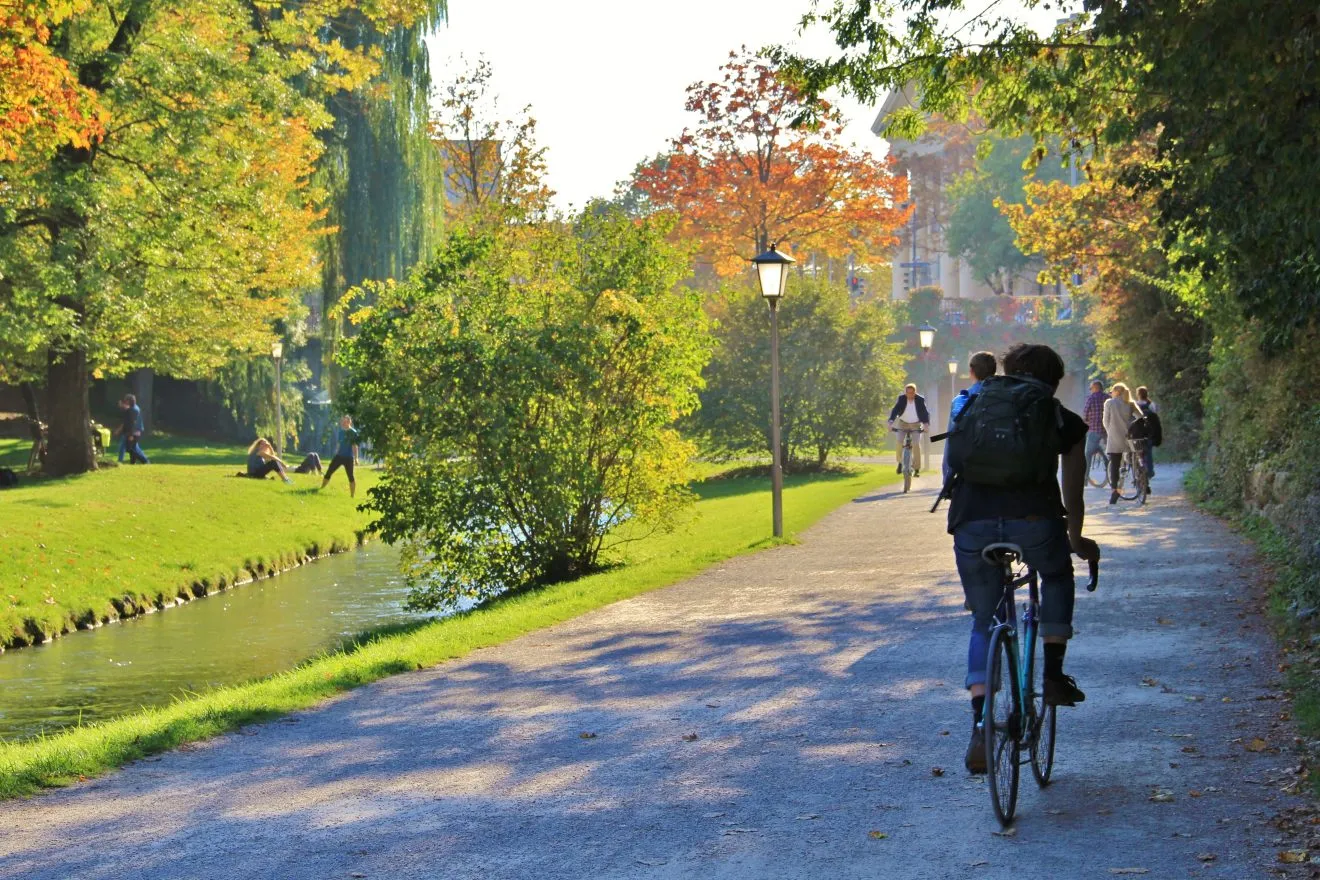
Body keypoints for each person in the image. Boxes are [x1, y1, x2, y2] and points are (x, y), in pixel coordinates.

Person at [944, 343, 1099, 774]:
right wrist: (1077, 538)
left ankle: (979, 726)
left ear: (1008, 372)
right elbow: (1073, 495)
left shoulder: (974, 403)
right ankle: (1052, 675)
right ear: (1053, 382)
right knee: (1056, 574)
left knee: (983, 619)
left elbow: (951, 465)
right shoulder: (1061, 420)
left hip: (971, 523)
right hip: (1035, 521)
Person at [944, 352, 997, 483]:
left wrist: (948, 479)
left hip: (970, 474)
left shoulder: (962, 399)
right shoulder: (1008, 398)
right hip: (1004, 476)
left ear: (971, 370)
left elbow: (952, 442)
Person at [1102, 383, 1139, 504]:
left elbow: (1105, 421)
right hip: (1129, 438)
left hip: (1115, 438)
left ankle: (1114, 491)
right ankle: (1141, 481)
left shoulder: (1109, 403)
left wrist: (1110, 432)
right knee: (1133, 460)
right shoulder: (1130, 403)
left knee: (1114, 465)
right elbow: (1140, 417)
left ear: (1115, 392)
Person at [888, 384, 930, 477]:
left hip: (916, 424)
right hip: (903, 423)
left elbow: (924, 413)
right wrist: (890, 422)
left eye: (912, 393)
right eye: (908, 393)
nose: (910, 395)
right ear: (905, 392)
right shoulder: (901, 398)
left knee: (916, 445)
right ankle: (900, 462)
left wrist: (926, 425)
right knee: (899, 442)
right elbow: (895, 410)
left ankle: (916, 468)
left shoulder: (920, 400)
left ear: (915, 392)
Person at [320, 415, 359, 497]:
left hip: (348, 457)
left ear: (349, 422)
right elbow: (339, 443)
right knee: (329, 471)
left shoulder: (353, 432)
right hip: (339, 456)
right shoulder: (341, 432)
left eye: (344, 422)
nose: (343, 423)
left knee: (350, 476)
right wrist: (336, 452)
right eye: (342, 421)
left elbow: (354, 446)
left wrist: (356, 458)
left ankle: (352, 495)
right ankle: (321, 488)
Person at [1134, 386, 1161, 488]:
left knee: (1137, 453)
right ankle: (1149, 472)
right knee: (1148, 453)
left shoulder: (1135, 405)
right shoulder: (1151, 405)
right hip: (1149, 434)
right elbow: (1155, 420)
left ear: (1138, 394)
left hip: (1137, 434)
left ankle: (1138, 473)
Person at [114, 394, 149, 465]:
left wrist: (131, 434)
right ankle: (134, 462)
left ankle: (144, 461)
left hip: (132, 432)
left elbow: (132, 423)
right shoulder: (134, 408)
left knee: (127, 448)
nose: (125, 401)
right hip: (132, 432)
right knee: (133, 448)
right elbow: (127, 412)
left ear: (129, 401)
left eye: (126, 400)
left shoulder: (133, 410)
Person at [1082, 380, 1107, 479]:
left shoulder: (1091, 398)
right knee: (1104, 449)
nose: (1090, 390)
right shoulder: (1107, 398)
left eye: (1091, 388)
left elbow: (1085, 413)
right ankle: (1107, 461)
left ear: (1096, 388)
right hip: (1106, 430)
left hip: (1094, 429)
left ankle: (1085, 478)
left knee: (1087, 453)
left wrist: (1087, 421)